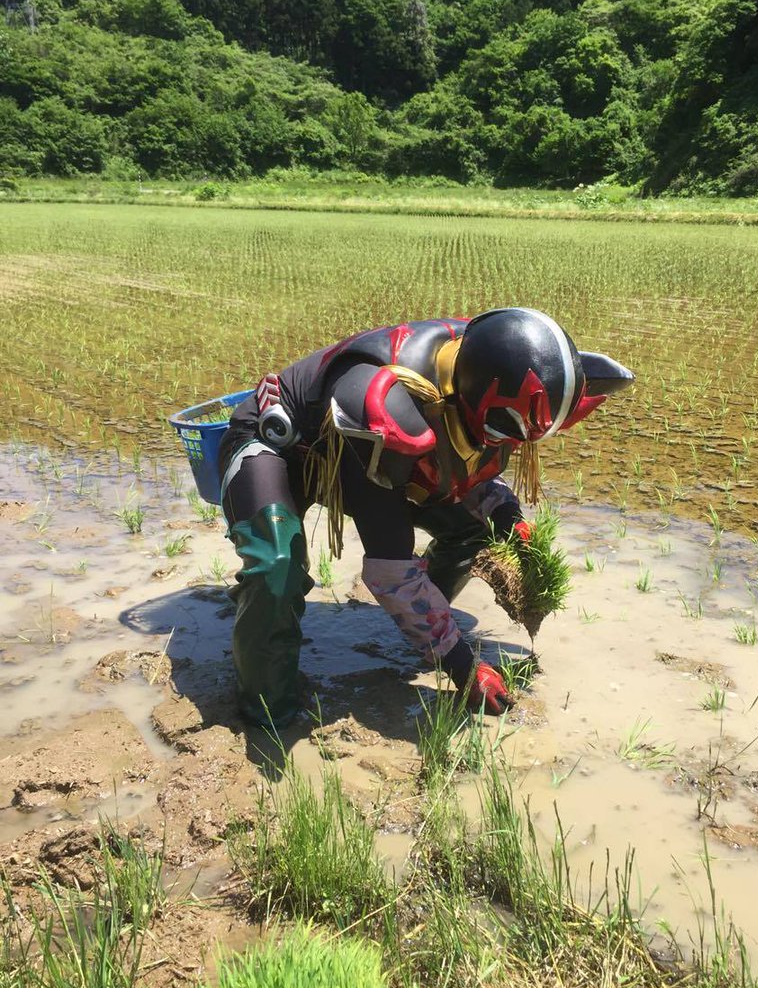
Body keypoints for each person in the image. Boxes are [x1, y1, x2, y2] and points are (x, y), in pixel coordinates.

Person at [218, 308, 633, 730]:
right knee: (278, 565)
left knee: (477, 527)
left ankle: (419, 624)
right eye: (506, 435)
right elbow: (390, 566)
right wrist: (461, 665)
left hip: (361, 459)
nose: (512, 447)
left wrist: (510, 519)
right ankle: (266, 712)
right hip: (283, 446)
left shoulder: (480, 374)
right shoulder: (386, 407)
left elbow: (465, 473)